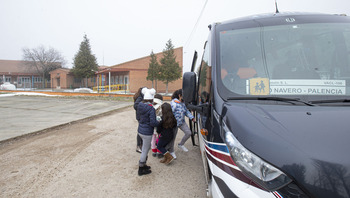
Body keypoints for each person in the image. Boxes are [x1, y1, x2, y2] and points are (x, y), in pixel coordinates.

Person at [136, 88, 159, 176]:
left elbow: (138, 118)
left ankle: (144, 165)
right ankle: (141, 169)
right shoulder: (151, 109)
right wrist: (159, 122)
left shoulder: (140, 105)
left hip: (140, 130)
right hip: (147, 132)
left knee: (145, 148)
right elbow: (153, 123)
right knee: (145, 150)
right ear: (152, 99)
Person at [169, 89, 195, 157]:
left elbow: (186, 111)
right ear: (179, 95)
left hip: (182, 122)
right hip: (174, 123)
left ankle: (181, 144)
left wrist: (192, 117)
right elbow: (169, 113)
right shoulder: (173, 104)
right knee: (173, 138)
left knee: (189, 133)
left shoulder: (182, 103)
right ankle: (171, 151)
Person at [133, 87, 145, 153]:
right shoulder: (140, 98)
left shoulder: (141, 96)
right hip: (140, 117)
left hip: (140, 116)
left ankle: (141, 145)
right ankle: (138, 146)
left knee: (141, 130)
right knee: (140, 131)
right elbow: (135, 106)